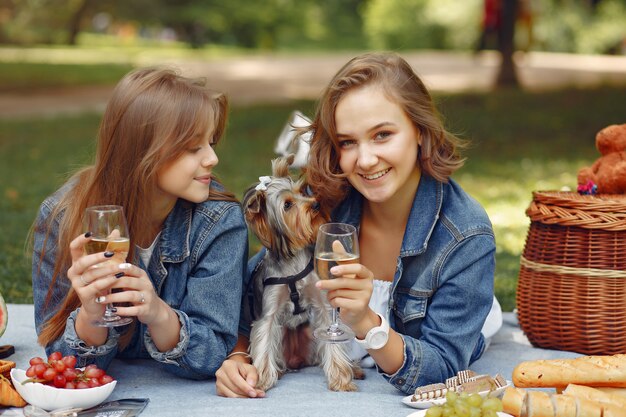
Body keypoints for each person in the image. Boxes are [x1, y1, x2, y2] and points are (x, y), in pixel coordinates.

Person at [216, 52, 501, 396]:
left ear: (421, 132)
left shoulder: (465, 236)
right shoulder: (325, 203)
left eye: (382, 134)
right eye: (348, 142)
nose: (365, 160)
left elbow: (441, 369)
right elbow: (260, 283)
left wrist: (366, 321)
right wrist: (238, 354)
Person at [32, 67, 248, 379]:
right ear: (142, 152)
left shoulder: (219, 220)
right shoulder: (64, 217)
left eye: (211, 141)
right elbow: (63, 368)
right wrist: (91, 317)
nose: (212, 158)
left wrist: (159, 314)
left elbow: (212, 352)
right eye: (193, 147)